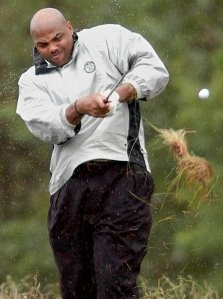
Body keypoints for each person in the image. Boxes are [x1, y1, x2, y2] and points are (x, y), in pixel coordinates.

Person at [16, 7, 169, 299]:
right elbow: (46, 126)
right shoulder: (31, 80)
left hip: (123, 175)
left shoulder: (107, 39)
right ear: (35, 45)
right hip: (68, 187)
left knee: (114, 284)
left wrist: (121, 93)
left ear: (70, 27)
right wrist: (78, 108)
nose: (53, 48)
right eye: (43, 45)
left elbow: (154, 70)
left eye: (57, 38)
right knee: (77, 288)